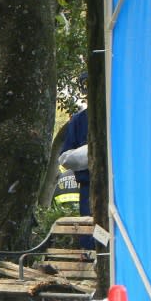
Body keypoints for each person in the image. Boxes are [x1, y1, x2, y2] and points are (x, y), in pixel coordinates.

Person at [59, 72, 93, 249]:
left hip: (120, 185)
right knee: (90, 235)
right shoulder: (79, 121)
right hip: (89, 188)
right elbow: (65, 158)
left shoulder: (120, 115)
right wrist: (91, 153)